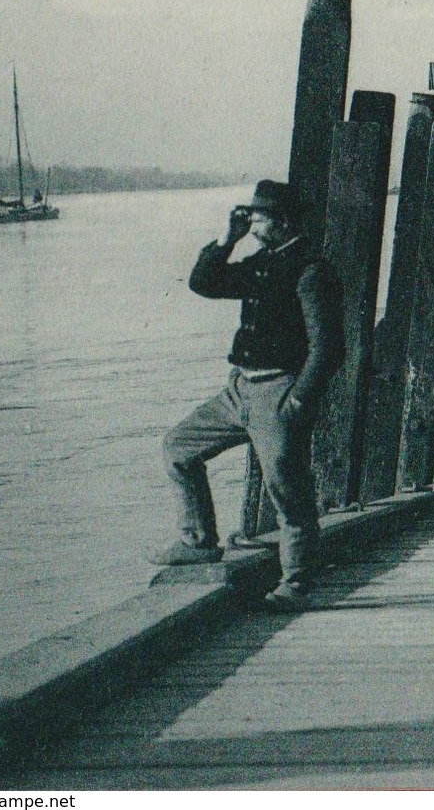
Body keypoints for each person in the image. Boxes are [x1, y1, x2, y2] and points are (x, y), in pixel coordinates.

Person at [151, 180, 342, 613]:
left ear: (283, 221)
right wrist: (227, 239)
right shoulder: (262, 263)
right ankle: (198, 542)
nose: (251, 220)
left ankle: (296, 582)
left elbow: (328, 348)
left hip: (278, 390)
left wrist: (298, 401)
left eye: (258, 216)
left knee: (286, 488)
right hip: (239, 389)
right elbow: (204, 283)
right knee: (178, 446)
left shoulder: (311, 271)